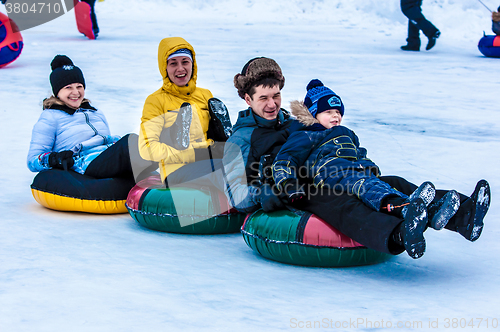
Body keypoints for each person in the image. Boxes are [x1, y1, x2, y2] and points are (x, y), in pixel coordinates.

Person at [223, 56, 491, 259]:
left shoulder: (295, 123)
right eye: (263, 98)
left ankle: (462, 215)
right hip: (291, 193)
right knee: (335, 200)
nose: (272, 104)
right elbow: (237, 195)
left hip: (325, 175)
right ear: (247, 98)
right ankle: (398, 233)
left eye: (276, 95)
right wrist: (267, 193)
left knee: (392, 181)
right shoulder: (241, 139)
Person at [271, 79, 469, 259]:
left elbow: (360, 154)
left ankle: (458, 212)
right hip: (332, 177)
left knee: (395, 182)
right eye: (329, 112)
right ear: (313, 113)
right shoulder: (306, 135)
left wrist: (370, 167)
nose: (335, 116)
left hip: (357, 172)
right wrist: (289, 184)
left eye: (338, 112)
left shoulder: (347, 134)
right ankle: (403, 208)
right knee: (364, 186)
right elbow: (285, 160)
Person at [27, 55, 155, 181]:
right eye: (68, 88)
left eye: (79, 86)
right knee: (130, 142)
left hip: (106, 158)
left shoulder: (96, 112)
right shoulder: (50, 117)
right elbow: (33, 160)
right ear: (57, 92)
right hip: (85, 163)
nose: (76, 92)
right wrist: (55, 159)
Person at [138, 37, 232, 187]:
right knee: (228, 171)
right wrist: (193, 154)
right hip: (176, 170)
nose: (180, 68)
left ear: (192, 65)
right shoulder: (156, 101)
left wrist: (220, 144)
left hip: (209, 159)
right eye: (173, 63)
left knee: (242, 162)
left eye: (185, 62)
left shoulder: (205, 95)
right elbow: (147, 148)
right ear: (165, 68)